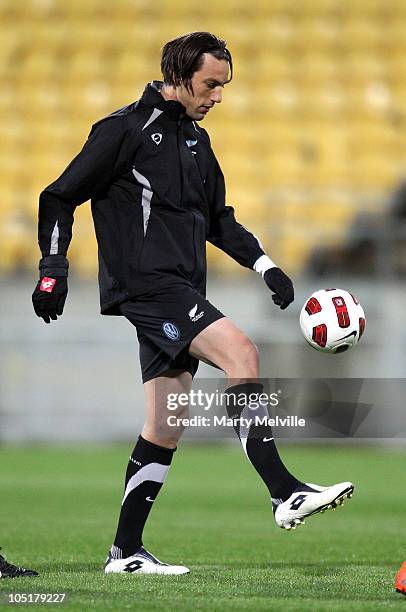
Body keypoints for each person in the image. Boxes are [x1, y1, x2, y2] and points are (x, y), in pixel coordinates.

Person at [32, 32, 354, 575]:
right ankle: (284, 492)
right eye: (211, 84)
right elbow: (58, 195)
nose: (218, 97)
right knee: (242, 355)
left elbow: (219, 218)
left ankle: (125, 553)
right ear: (179, 75)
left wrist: (264, 264)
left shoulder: (196, 143)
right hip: (149, 287)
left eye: (223, 86)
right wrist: (53, 268)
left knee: (166, 420)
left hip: (181, 288)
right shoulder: (123, 130)